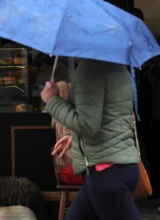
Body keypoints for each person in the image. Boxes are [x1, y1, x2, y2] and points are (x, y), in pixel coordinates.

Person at [41, 59, 141, 220]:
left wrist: (52, 100)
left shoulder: (88, 70)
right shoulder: (118, 66)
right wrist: (74, 136)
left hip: (105, 172)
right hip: (119, 167)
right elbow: (110, 116)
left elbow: (87, 125)